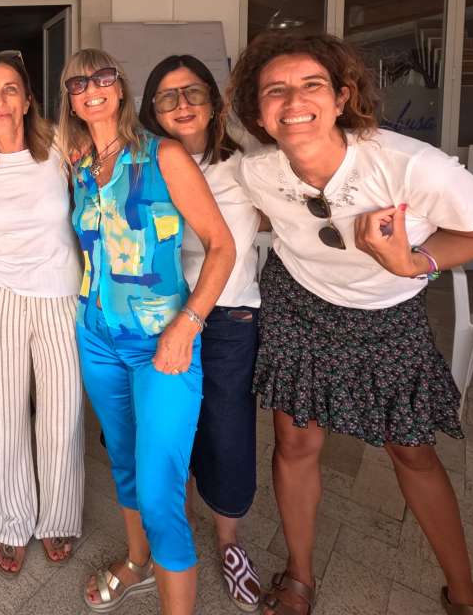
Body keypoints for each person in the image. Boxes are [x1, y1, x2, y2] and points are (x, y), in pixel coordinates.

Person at [228, 32, 473, 615]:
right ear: (258, 111)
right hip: (300, 303)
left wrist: (414, 262)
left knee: (411, 450)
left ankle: (465, 592)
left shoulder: (408, 165)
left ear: (342, 97)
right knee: (296, 441)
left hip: (387, 313)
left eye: (311, 85)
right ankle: (300, 577)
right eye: (275, 90)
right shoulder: (257, 170)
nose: (294, 101)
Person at [60, 49, 235, 615]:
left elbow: (222, 246)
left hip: (162, 342)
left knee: (161, 493)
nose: (91, 88)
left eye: (103, 76)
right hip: (96, 337)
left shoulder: (164, 155)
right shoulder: (81, 166)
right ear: (70, 99)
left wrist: (189, 323)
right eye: (78, 83)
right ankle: (138, 562)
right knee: (125, 462)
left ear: (121, 87)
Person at [140, 54, 262, 612]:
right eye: (168, 97)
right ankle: (174, 530)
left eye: (193, 92)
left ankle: (229, 540)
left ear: (214, 102)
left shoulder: (247, 167)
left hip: (227, 317)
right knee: (168, 431)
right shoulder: (144, 166)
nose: (182, 105)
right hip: (159, 317)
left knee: (226, 430)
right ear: (153, 110)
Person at [0, 50, 84, 575]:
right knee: (2, 413)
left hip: (60, 293)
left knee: (62, 412)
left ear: (28, 99)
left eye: (10, 89)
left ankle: (59, 514)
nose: (0, 101)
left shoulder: (60, 148)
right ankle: (10, 520)